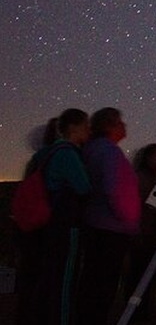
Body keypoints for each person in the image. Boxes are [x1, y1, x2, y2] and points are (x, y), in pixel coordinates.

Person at [79, 107, 142, 325]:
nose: (124, 125)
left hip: (95, 225)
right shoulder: (108, 151)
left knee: (92, 283)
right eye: (119, 121)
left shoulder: (91, 149)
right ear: (108, 125)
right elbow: (113, 189)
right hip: (111, 230)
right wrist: (130, 221)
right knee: (103, 286)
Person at [29, 108, 92, 325]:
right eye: (85, 126)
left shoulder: (44, 153)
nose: (89, 130)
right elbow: (83, 187)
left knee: (49, 277)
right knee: (64, 281)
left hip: (47, 223)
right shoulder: (67, 153)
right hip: (65, 224)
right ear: (73, 128)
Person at [15, 118, 61, 325]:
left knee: (30, 276)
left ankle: (25, 316)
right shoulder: (58, 156)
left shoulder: (37, 159)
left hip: (30, 225)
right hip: (47, 224)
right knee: (44, 276)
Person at [125, 143, 156, 321]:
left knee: (146, 279)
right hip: (142, 236)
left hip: (152, 236)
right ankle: (134, 314)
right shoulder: (141, 179)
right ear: (148, 158)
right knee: (138, 277)